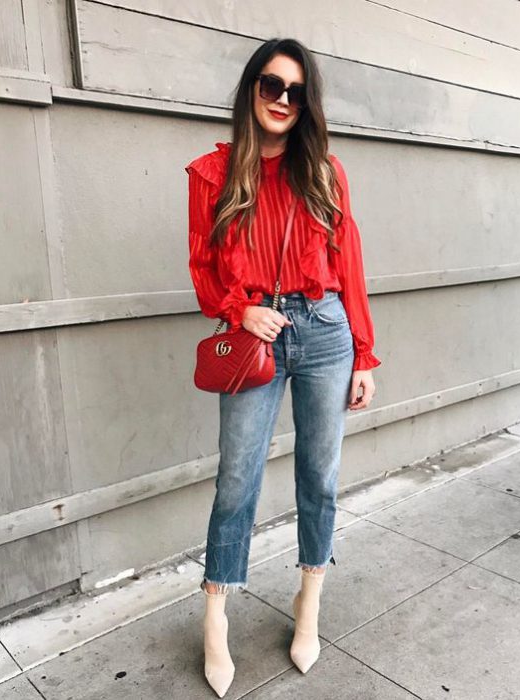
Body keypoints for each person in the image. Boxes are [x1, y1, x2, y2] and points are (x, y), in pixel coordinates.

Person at [185, 37, 381, 698]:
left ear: (306, 105)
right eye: (272, 85)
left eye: (296, 93)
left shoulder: (324, 171)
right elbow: (203, 269)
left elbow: (349, 266)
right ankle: (215, 616)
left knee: (319, 478)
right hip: (256, 336)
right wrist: (238, 311)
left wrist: (363, 352)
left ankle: (309, 603)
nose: (283, 101)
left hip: (325, 331)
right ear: (251, 90)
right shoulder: (211, 176)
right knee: (236, 479)